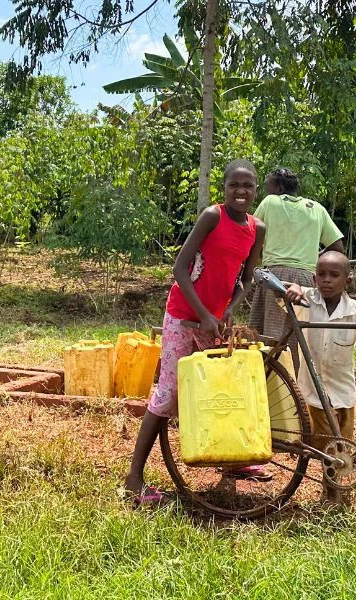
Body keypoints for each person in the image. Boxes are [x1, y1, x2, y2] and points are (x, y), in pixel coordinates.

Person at [124, 159, 268, 505]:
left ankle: (232, 459)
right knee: (169, 393)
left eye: (248, 186)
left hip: (214, 320)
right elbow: (179, 269)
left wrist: (230, 309)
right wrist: (203, 314)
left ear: (256, 190)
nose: (241, 191)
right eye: (234, 185)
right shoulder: (212, 216)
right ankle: (133, 479)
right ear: (224, 188)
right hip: (183, 314)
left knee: (220, 387)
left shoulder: (257, 228)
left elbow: (247, 277)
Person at [285, 251, 356, 505]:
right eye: (321, 275)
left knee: (343, 443)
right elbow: (285, 291)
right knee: (331, 447)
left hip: (343, 390)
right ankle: (333, 495)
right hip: (315, 390)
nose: (327, 280)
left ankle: (339, 487)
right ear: (314, 279)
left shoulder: (354, 310)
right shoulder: (307, 301)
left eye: (334, 275)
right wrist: (292, 288)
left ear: (348, 282)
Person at [250, 168, 345, 371]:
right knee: (298, 336)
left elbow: (251, 235)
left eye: (267, 187)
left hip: (273, 276)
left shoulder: (270, 202)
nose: (265, 191)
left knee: (270, 336)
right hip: (307, 279)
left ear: (279, 188)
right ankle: (296, 382)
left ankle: (270, 380)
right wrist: (313, 257)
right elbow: (337, 247)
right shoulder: (316, 208)